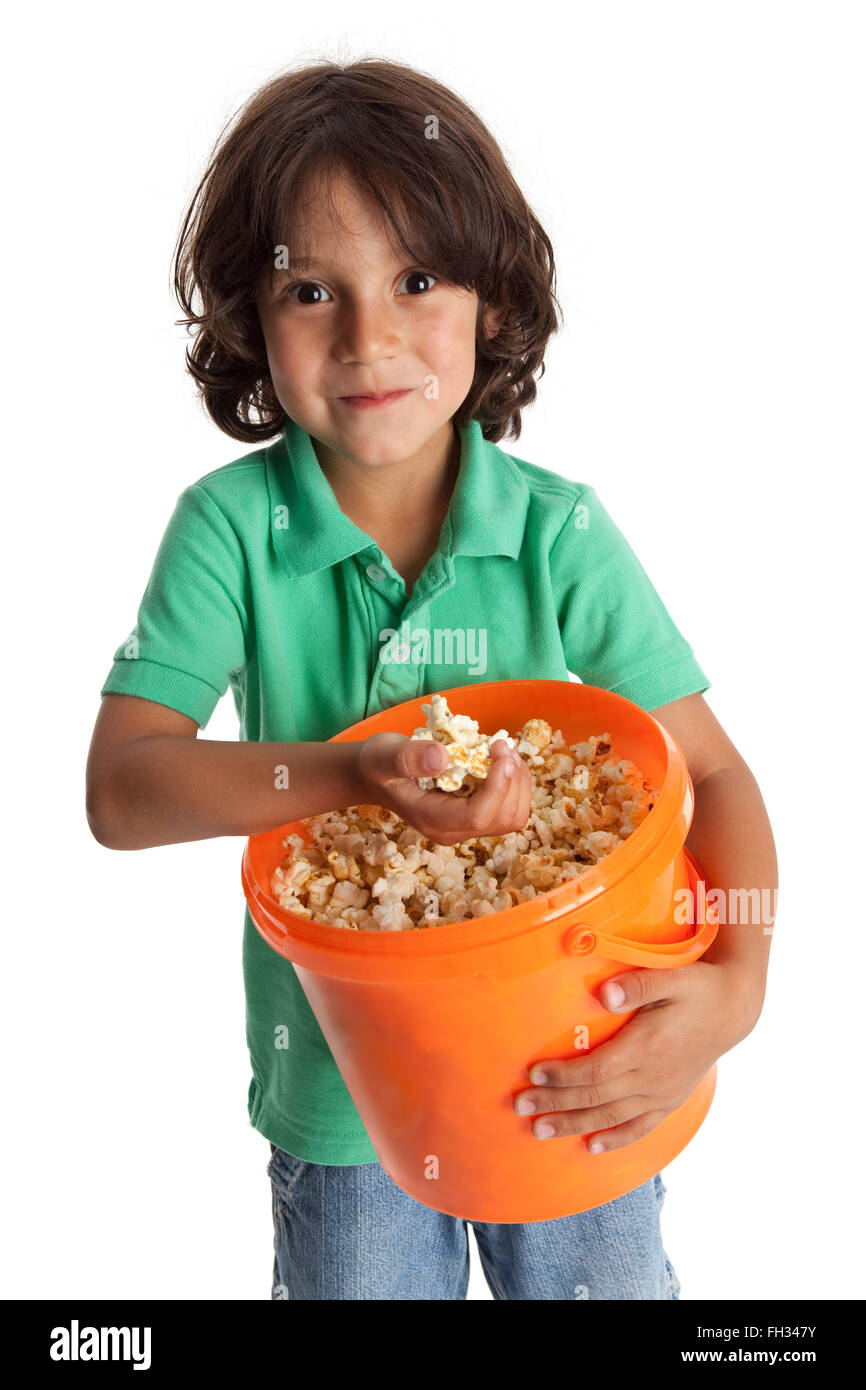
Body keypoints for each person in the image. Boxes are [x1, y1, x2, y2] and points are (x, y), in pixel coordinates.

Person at [86, 58, 777, 1300]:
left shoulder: (556, 533)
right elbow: (123, 790)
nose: (370, 338)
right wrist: (349, 774)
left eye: (416, 279)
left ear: (492, 303)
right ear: (251, 316)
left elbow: (712, 775)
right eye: (312, 290)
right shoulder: (230, 533)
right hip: (350, 1097)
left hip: (578, 1066)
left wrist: (737, 984)